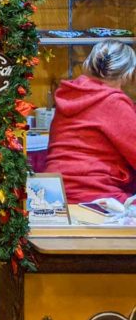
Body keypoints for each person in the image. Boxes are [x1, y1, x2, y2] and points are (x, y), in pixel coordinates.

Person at [45, 40, 136, 203]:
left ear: (88, 65)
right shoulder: (114, 103)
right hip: (98, 195)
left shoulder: (68, 95)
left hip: (53, 193)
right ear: (128, 74)